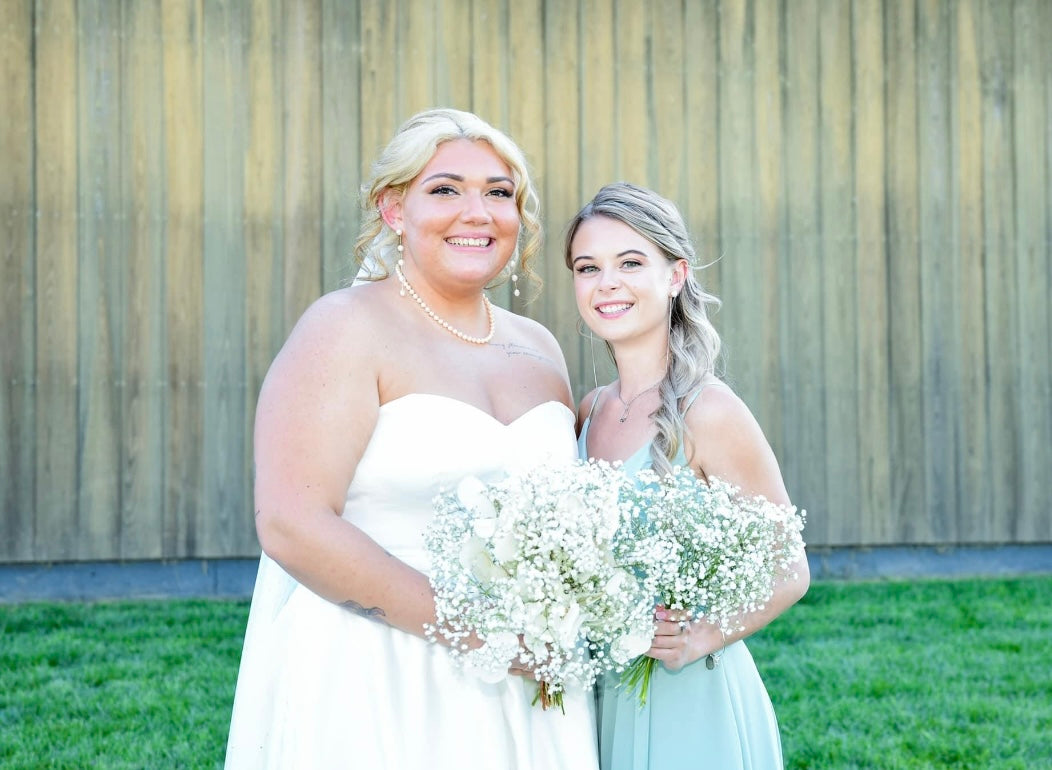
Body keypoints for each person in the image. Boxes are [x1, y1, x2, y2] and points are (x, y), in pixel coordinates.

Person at [225, 109, 599, 769]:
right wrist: (484, 634)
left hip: (528, 681)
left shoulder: (540, 349)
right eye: (446, 189)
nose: (477, 211)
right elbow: (291, 521)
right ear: (394, 209)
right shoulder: (344, 328)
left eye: (499, 192)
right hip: (378, 672)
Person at [565, 182, 810, 769]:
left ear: (675, 275)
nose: (607, 284)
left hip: (685, 697)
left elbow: (791, 565)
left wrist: (701, 635)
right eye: (587, 267)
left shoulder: (710, 410)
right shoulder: (588, 408)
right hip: (596, 690)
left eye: (630, 263)